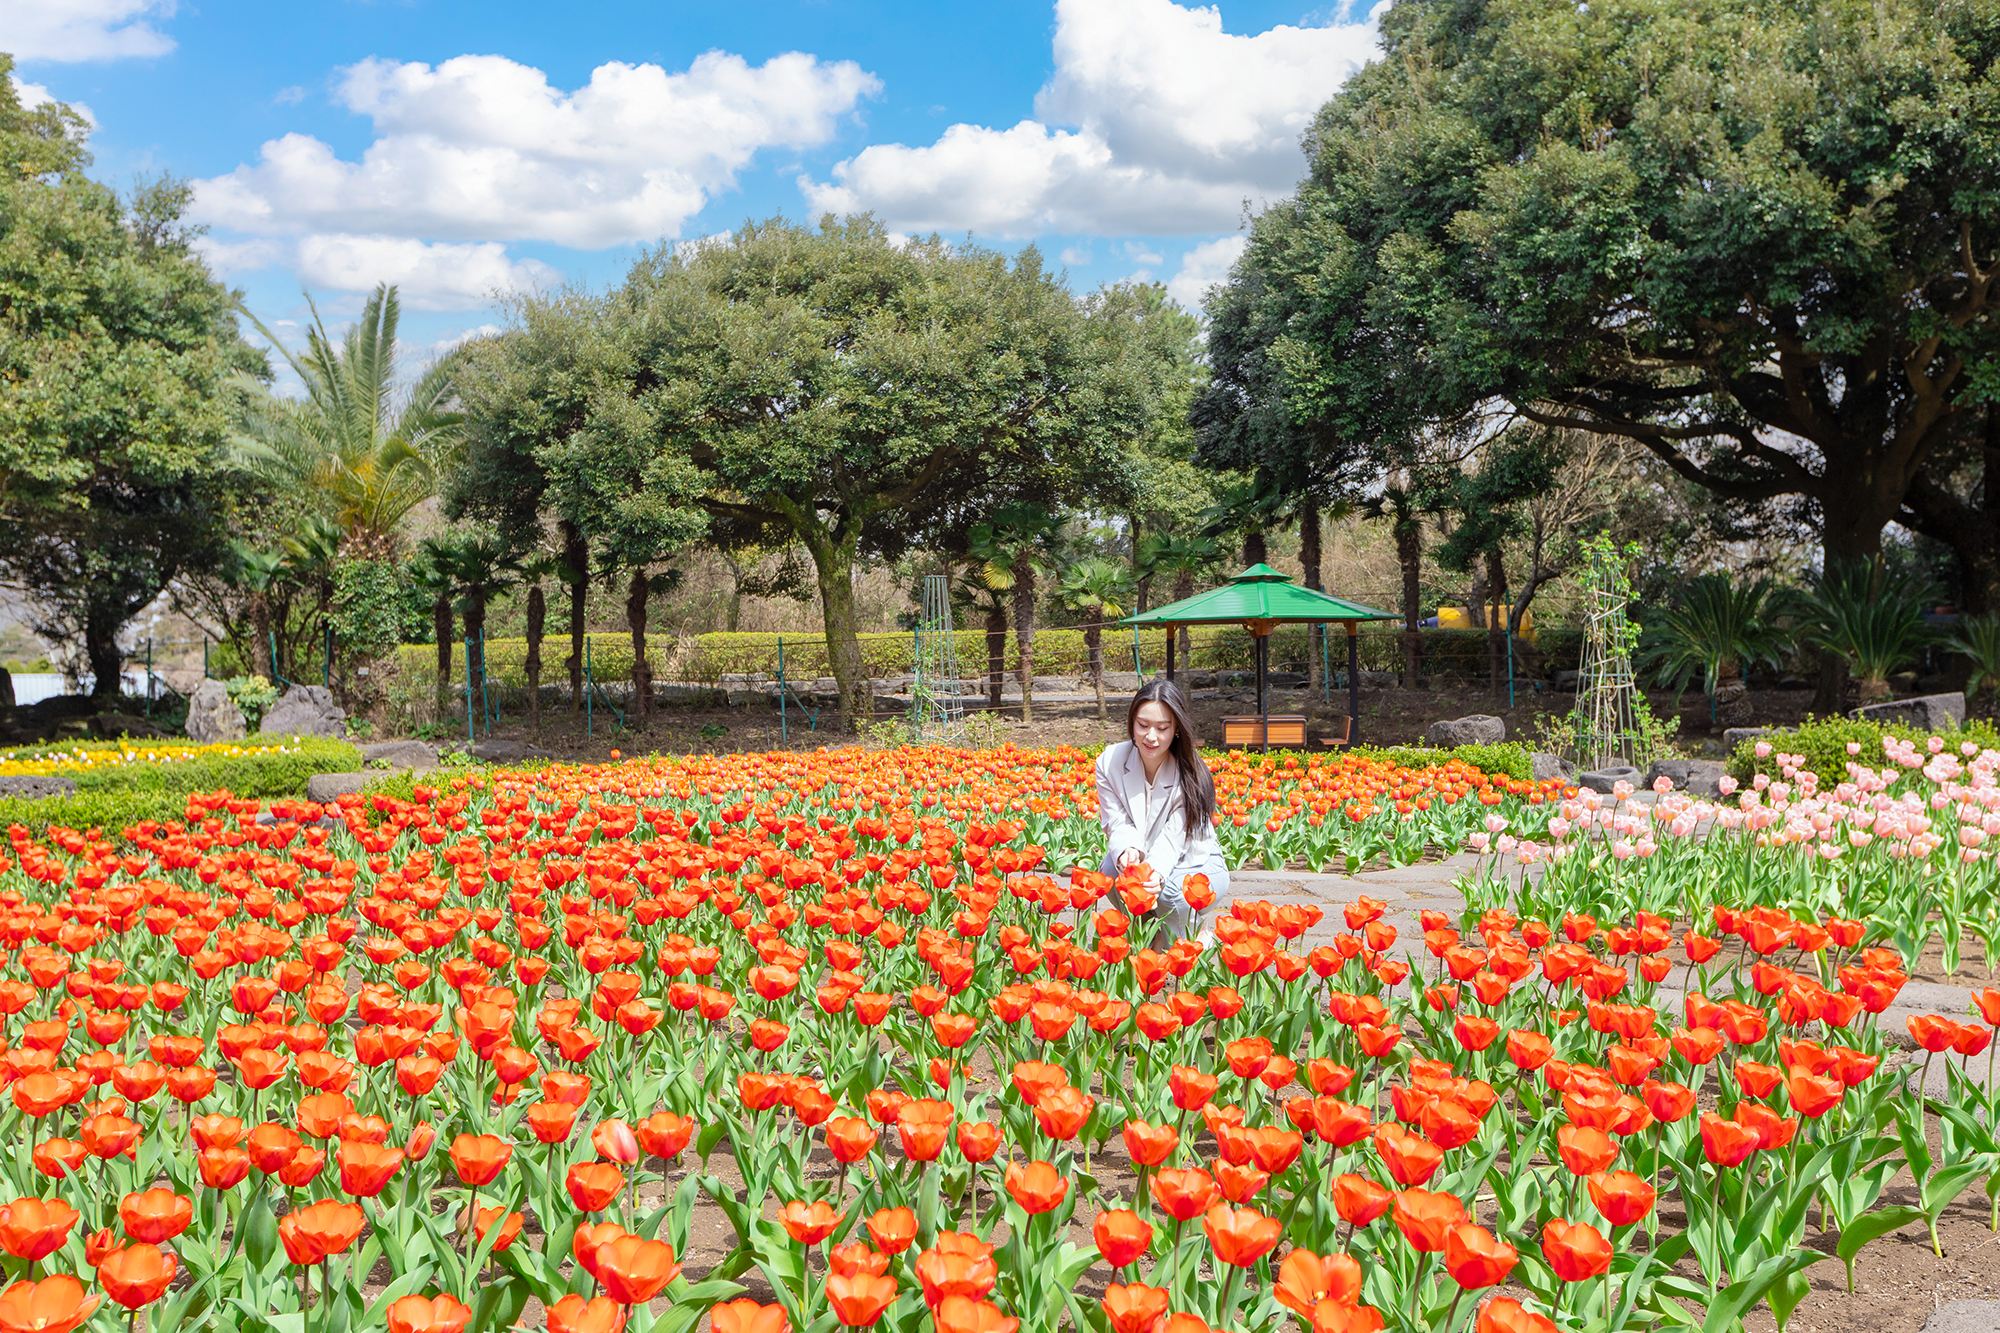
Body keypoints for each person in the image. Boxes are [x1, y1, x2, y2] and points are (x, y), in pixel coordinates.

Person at [1094, 678, 1228, 946]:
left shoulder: (1191, 774)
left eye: (1162, 728)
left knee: (1167, 892)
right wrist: (1127, 850)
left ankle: (1194, 937)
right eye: (1143, 725)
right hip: (1145, 850)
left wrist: (1154, 873)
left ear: (1177, 729)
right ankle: (1149, 934)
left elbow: (1173, 840)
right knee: (1110, 870)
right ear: (1132, 722)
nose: (1151, 736)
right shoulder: (1110, 762)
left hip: (1196, 862)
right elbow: (1117, 820)